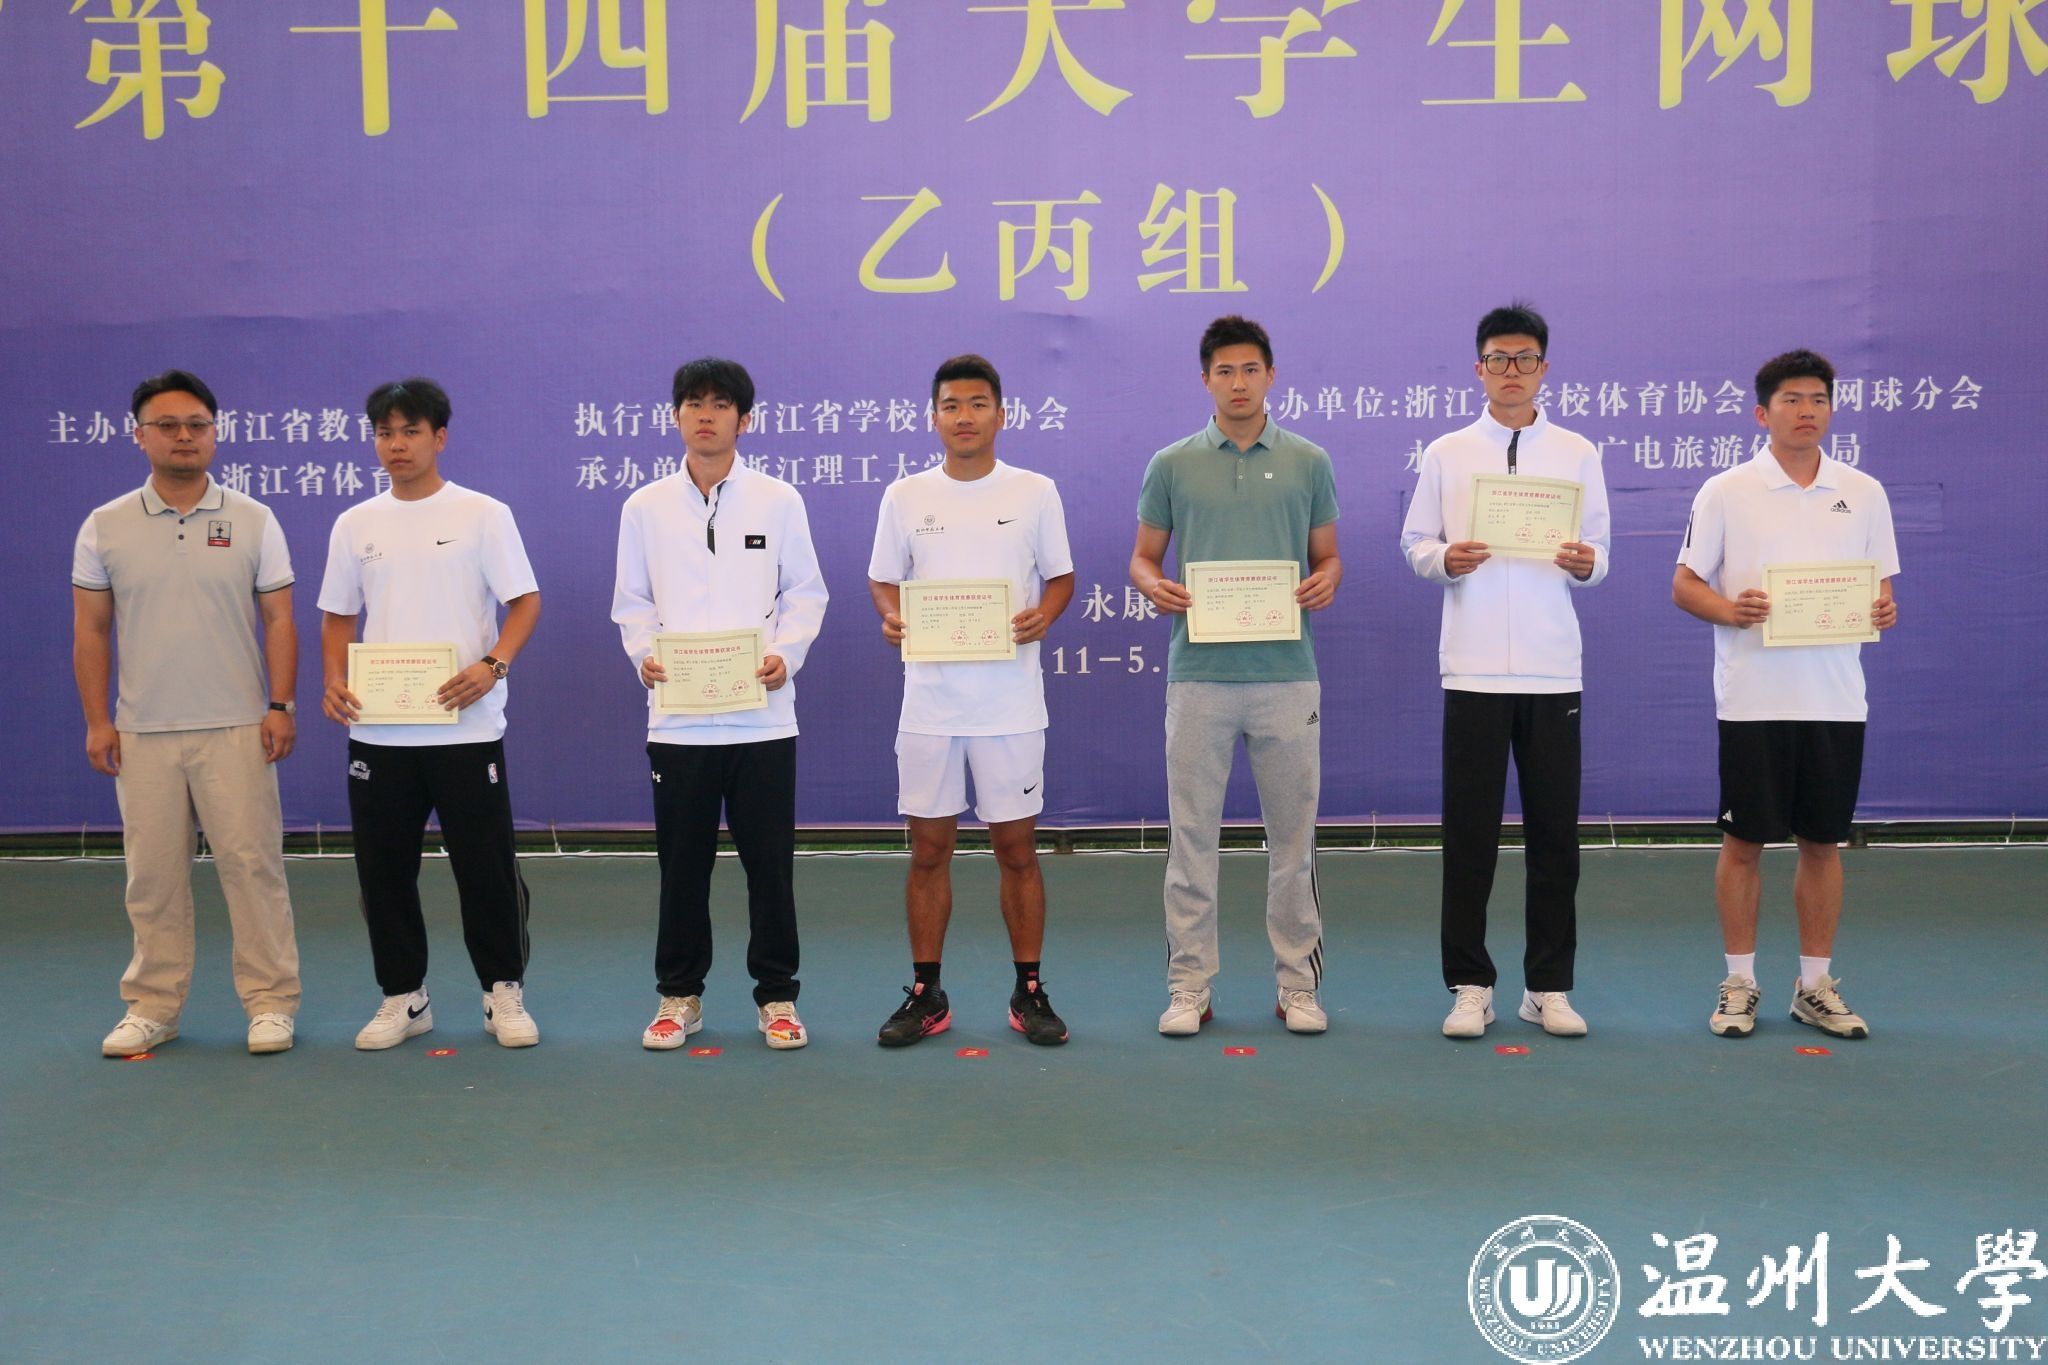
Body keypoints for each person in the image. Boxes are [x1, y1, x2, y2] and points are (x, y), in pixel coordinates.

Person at [72, 369, 302, 1057]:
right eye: (167, 425)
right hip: (142, 730)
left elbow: (279, 619)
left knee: (253, 869)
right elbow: (91, 629)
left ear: (215, 433)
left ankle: (271, 1002)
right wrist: (98, 720)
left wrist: (280, 705)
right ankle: (152, 1006)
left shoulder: (255, 518)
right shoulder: (105, 525)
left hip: (237, 726)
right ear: (138, 435)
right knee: (152, 878)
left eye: (197, 425)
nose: (183, 436)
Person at [1673, 348, 1899, 1040]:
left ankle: (1814, 985)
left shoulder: (1864, 491)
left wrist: (1882, 608)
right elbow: (1685, 585)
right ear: (1761, 413)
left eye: (1819, 399)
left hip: (1835, 699)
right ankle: (1739, 982)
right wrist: (1731, 610)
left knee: (1823, 842)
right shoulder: (1725, 490)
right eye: (1792, 400)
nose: (1807, 411)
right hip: (1753, 699)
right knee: (1744, 842)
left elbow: (1880, 589)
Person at [1400, 302, 1610, 1040]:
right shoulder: (1448, 452)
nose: (1511, 371)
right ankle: (1470, 984)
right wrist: (1444, 559)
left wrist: (1585, 563)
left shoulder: (1577, 452)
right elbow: (1416, 541)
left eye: (1524, 358)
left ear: (1544, 368)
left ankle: (1548, 986)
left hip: (1553, 673)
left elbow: (1600, 554)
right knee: (1470, 838)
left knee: (1556, 839)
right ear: (1479, 368)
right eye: (1498, 358)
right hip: (1474, 669)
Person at [1129, 316, 1341, 1037]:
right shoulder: (1172, 464)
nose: (1239, 382)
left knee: (1294, 842)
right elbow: (1143, 558)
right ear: (1206, 380)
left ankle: (1298, 986)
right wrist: (1153, 585)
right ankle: (1188, 985)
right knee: (1191, 839)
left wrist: (1327, 579)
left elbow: (1328, 556)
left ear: (1270, 375)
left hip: (1287, 676)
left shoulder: (1309, 461)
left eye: (1251, 369)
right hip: (1199, 676)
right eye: (1225, 371)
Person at [318, 379, 543, 1050]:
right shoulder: (355, 524)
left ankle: (502, 991)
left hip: (466, 728)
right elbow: (338, 616)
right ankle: (404, 996)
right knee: (383, 871)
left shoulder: (483, 514)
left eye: (410, 431)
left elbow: (525, 602)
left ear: (439, 437)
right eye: (385, 433)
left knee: (485, 867)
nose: (397, 444)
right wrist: (334, 679)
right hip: (379, 731)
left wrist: (493, 664)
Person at [614, 358, 827, 1052]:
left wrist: (785, 655)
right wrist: (644, 656)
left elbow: (806, 593)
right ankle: (679, 996)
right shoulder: (644, 507)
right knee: (682, 870)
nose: (705, 415)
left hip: (763, 719)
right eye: (693, 403)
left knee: (770, 867)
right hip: (678, 723)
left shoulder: (779, 500)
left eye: (720, 404)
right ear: (676, 415)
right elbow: (632, 602)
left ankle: (778, 996)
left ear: (744, 418)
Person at [866, 354, 1075, 1048]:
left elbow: (1061, 578)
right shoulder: (905, 496)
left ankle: (1030, 990)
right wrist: (894, 618)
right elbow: (883, 580)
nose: (964, 417)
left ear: (1001, 414)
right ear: (933, 417)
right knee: (929, 850)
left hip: (1010, 705)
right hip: (930, 705)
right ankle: (926, 992)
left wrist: (1044, 614)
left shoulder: (1035, 491)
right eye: (951, 405)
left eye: (978, 404)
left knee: (1017, 849)